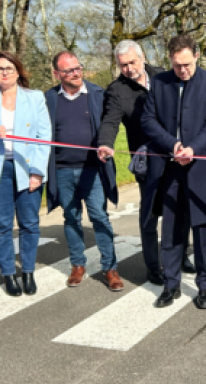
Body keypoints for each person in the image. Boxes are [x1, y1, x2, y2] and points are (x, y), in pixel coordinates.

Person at [98, 40, 195, 285]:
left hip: (175, 153)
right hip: (147, 159)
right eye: (123, 65)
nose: (129, 68)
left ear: (143, 56)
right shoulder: (116, 91)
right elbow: (110, 121)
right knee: (150, 214)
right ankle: (153, 267)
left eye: (132, 62)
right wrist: (106, 143)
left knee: (180, 208)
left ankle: (182, 255)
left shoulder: (164, 75)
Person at [140, 35, 206, 309]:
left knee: (201, 230)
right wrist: (172, 144)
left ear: (196, 56)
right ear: (170, 61)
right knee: (172, 229)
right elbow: (148, 120)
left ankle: (204, 287)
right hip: (168, 167)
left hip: (199, 165)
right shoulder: (160, 82)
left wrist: (192, 148)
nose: (183, 70)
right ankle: (170, 284)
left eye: (186, 64)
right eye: (177, 66)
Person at [0, 51, 51, 297]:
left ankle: (28, 272)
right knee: (2, 225)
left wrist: (37, 172)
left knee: (30, 223)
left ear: (18, 71)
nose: (4, 72)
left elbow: (43, 138)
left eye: (9, 68)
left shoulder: (35, 98)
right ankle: (8, 274)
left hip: (27, 167)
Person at [45, 51, 122, 291]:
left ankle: (109, 268)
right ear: (57, 74)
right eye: (69, 70)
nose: (76, 73)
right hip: (62, 170)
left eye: (78, 68)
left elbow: (111, 125)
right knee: (71, 217)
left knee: (99, 217)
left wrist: (107, 145)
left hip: (93, 170)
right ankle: (78, 265)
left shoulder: (98, 94)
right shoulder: (48, 98)